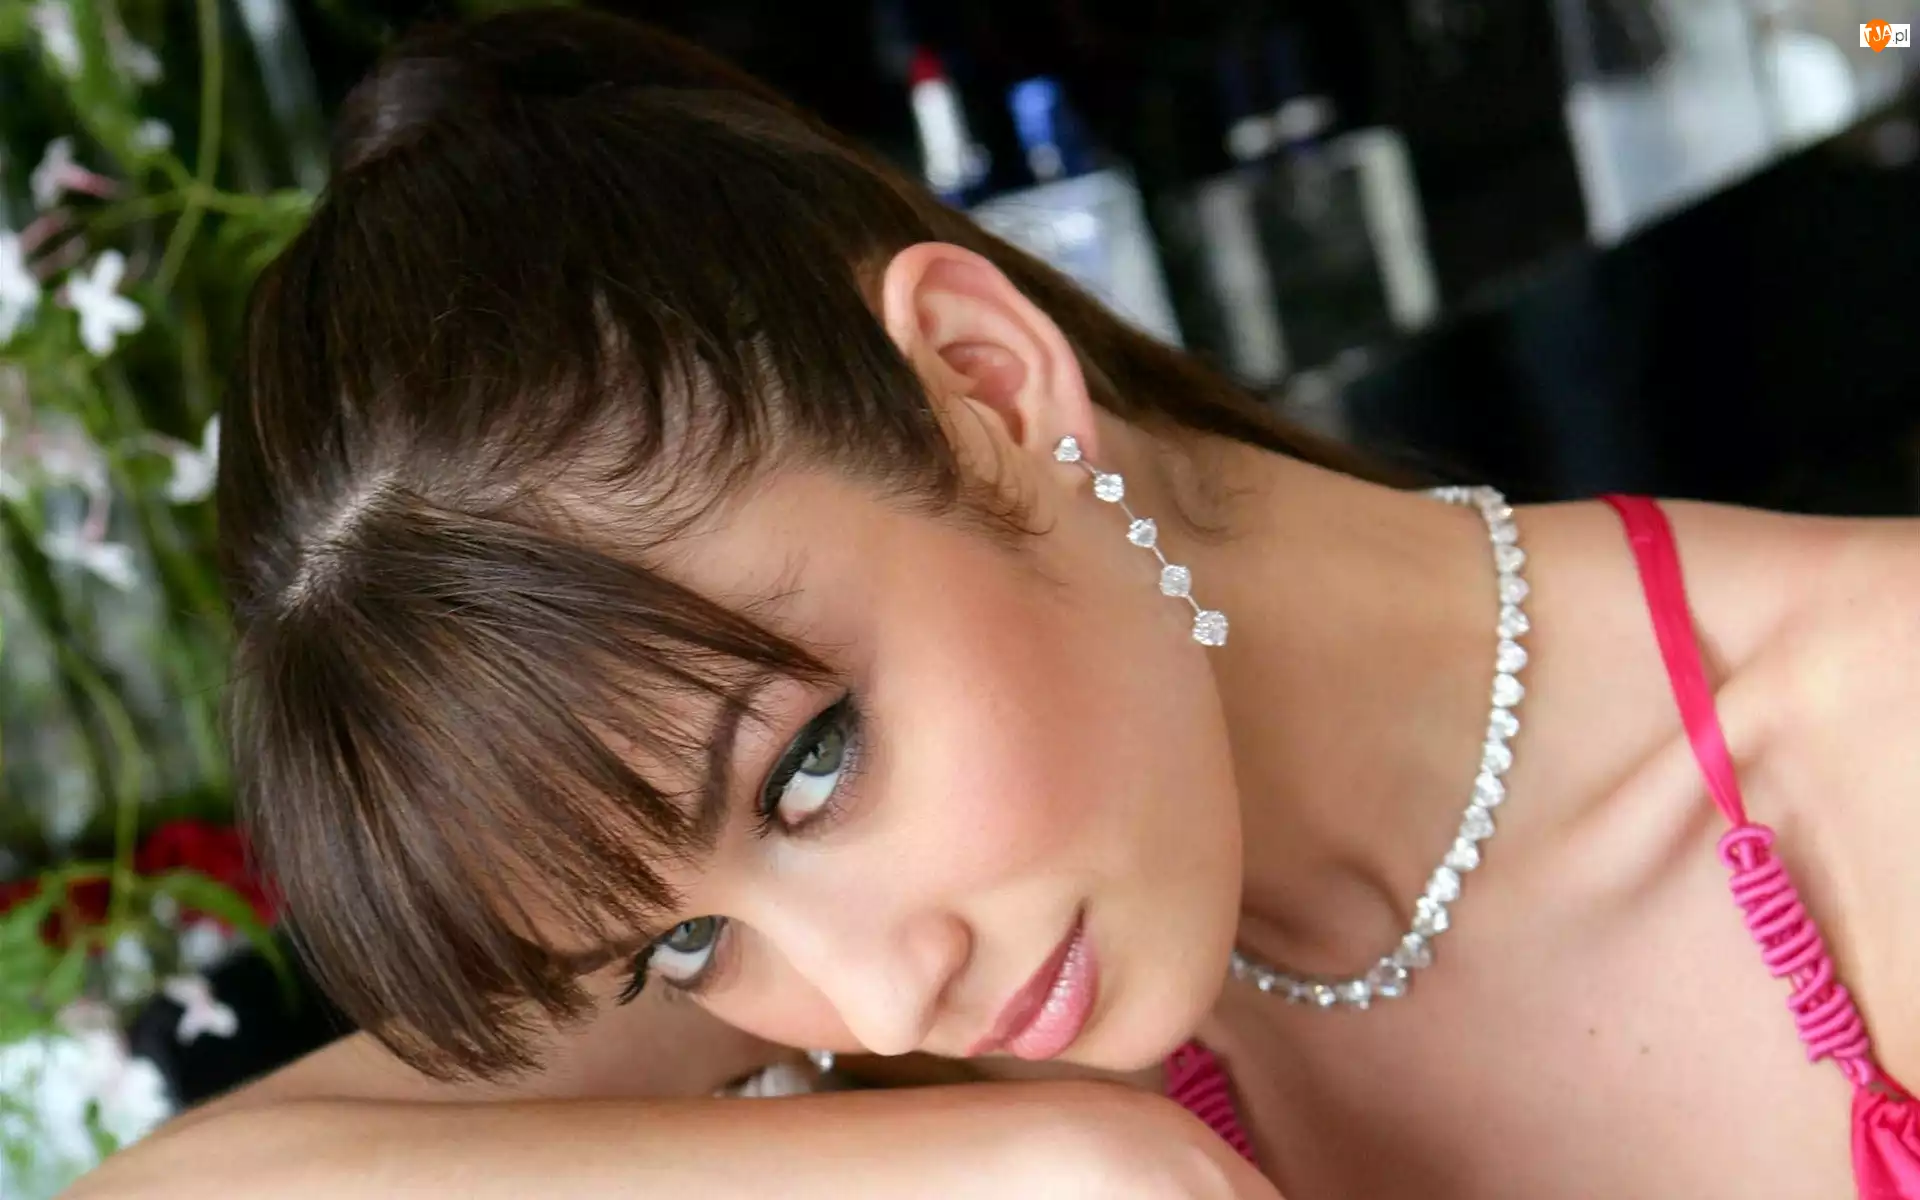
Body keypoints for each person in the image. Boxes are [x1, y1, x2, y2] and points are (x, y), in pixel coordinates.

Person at [67, 9, 1919, 1199]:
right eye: (683, 949)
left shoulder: (1874, 733)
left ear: (984, 376)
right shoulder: (897, 974)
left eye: (812, 766)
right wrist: (1029, 1163)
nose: (877, 1000)